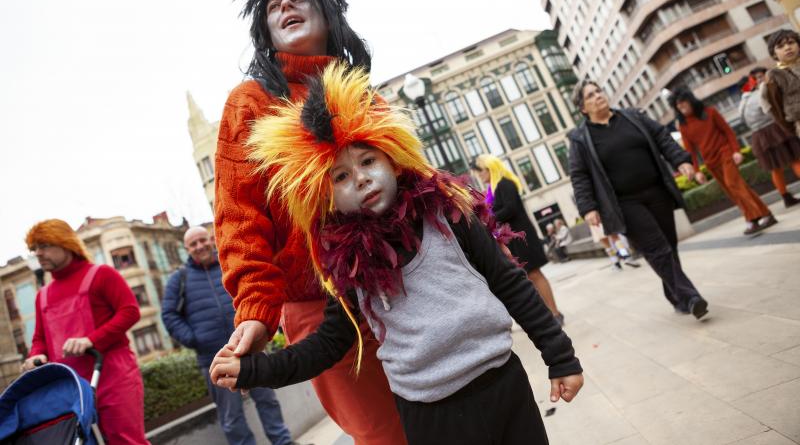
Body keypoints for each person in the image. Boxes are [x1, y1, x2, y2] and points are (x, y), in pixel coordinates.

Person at [210, 63, 583, 445]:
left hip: (504, 384)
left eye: (368, 161)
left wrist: (560, 357)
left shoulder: (449, 216)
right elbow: (329, 344)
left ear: (391, 158)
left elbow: (510, 283)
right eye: (341, 176)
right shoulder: (349, 265)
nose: (360, 178)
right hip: (430, 415)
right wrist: (255, 370)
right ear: (327, 197)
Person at [214, 0, 405, 443]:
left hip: (402, 289)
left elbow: (413, 191)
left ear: (326, 12)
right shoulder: (250, 102)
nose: (285, 7)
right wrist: (256, 309)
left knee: (446, 421)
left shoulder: (365, 96)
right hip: (320, 309)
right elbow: (238, 218)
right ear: (266, 33)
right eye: (274, 7)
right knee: (384, 435)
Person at [568, 81, 709, 319]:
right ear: (583, 108)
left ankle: (676, 296)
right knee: (657, 249)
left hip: (657, 191)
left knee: (668, 246)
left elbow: (662, 137)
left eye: (599, 91)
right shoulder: (580, 138)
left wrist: (681, 160)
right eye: (590, 95)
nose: (598, 96)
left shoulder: (633, 116)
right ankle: (691, 296)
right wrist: (588, 207)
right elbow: (579, 175)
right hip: (624, 203)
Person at [161, 227, 296, 445]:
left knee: (268, 401)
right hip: (214, 358)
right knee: (232, 417)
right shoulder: (179, 279)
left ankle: (284, 442)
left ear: (211, 240)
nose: (199, 246)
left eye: (202, 240)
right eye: (193, 244)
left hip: (249, 347)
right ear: (186, 249)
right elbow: (168, 315)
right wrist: (195, 339)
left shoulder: (229, 264)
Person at [22, 219, 148, 444]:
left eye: (44, 246)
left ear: (66, 243)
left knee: (126, 440)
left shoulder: (102, 274)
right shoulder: (43, 296)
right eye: (34, 249)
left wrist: (91, 340)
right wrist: (36, 355)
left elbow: (130, 311)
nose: (38, 253)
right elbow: (40, 338)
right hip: (71, 386)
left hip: (113, 374)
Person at [670, 87, 777, 235]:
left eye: (683, 103)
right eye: (678, 105)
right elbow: (690, 151)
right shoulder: (683, 126)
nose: (681, 107)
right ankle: (767, 214)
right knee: (735, 190)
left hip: (725, 153)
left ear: (690, 101)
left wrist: (736, 150)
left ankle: (752, 219)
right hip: (711, 162)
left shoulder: (710, 112)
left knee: (733, 184)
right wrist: (697, 171)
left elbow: (728, 131)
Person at [473, 154, 564, 323]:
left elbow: (510, 209)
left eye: (481, 171)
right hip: (513, 239)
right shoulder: (492, 190)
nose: (479, 175)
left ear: (490, 168)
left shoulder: (505, 184)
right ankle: (548, 315)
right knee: (529, 277)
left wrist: (489, 219)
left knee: (535, 274)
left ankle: (556, 313)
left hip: (522, 237)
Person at [739, 67, 800, 208]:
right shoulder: (762, 93)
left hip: (758, 136)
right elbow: (773, 111)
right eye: (756, 78)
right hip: (776, 129)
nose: (759, 80)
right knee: (796, 158)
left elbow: (743, 121)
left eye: (761, 76)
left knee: (775, 168)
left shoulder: (742, 104)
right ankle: (786, 197)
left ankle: (785, 197)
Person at [763, 29, 800, 138]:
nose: (787, 48)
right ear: (774, 54)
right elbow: (776, 108)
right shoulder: (774, 76)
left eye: (791, 43)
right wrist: (793, 129)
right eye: (780, 46)